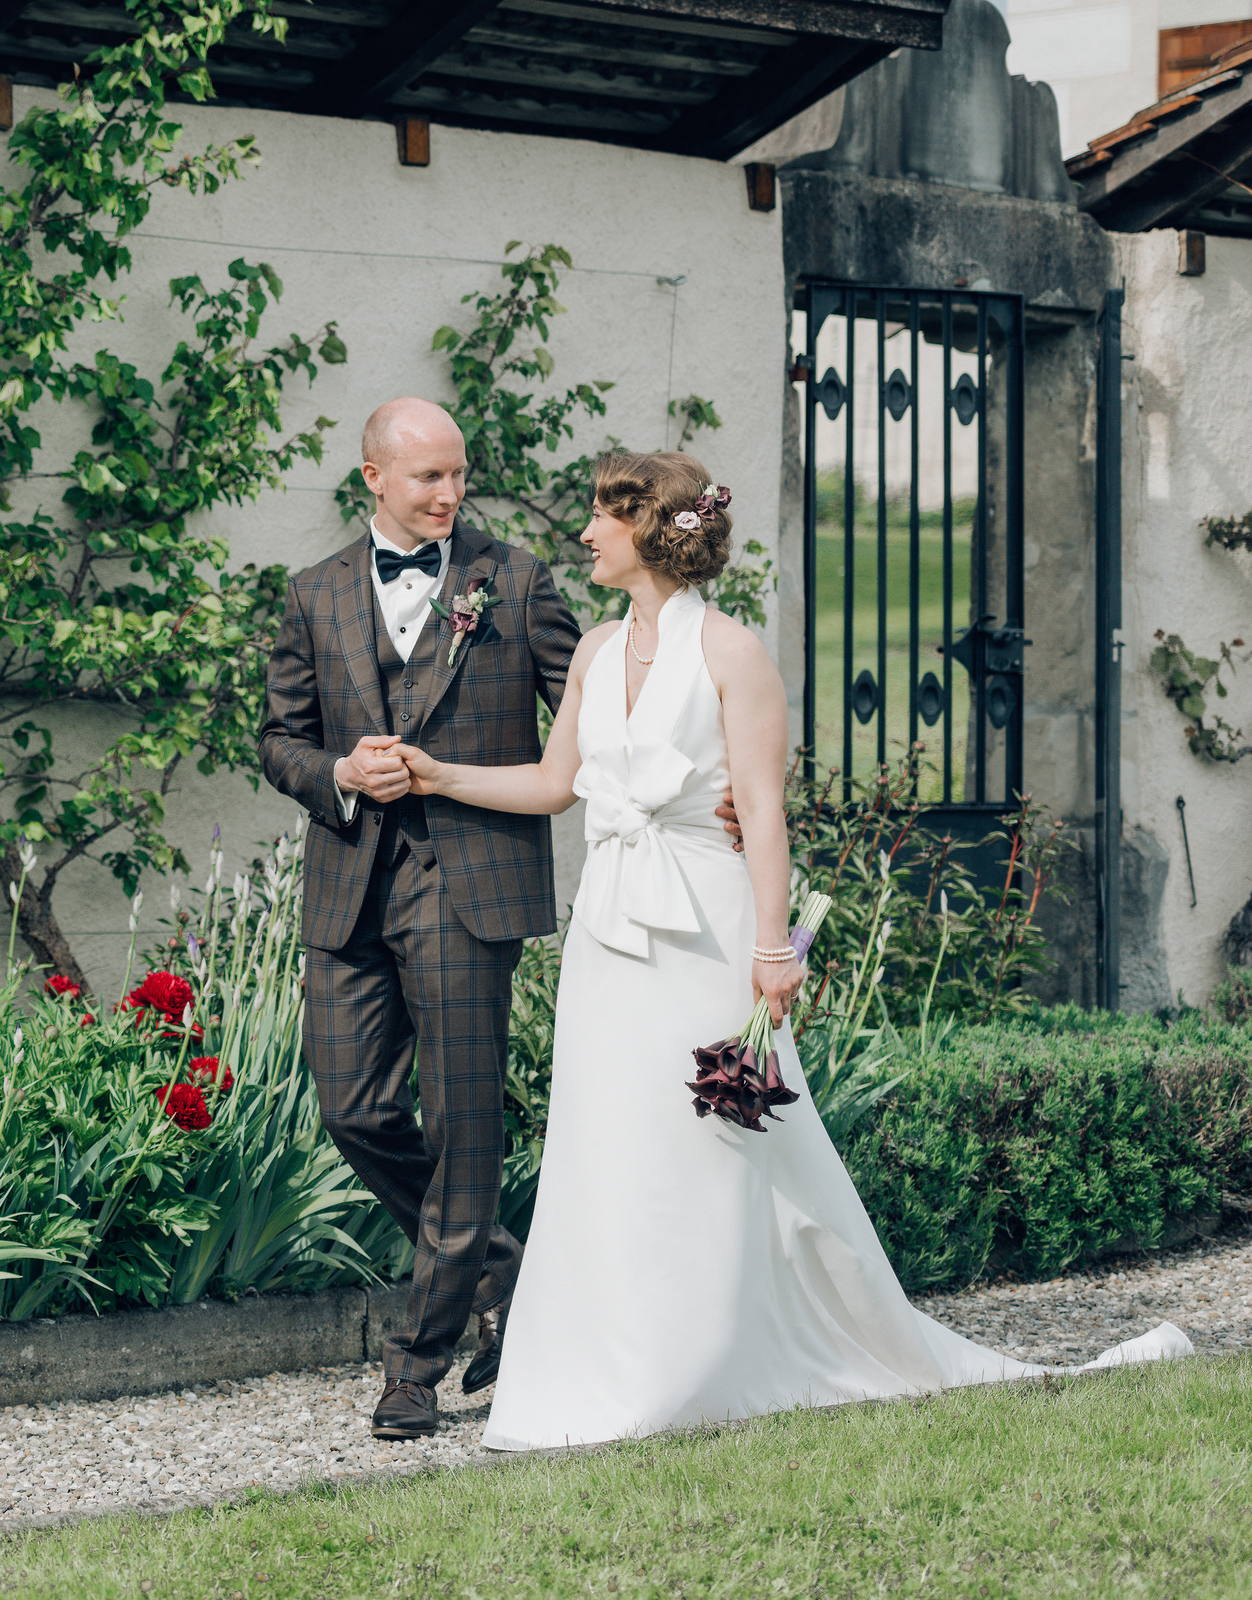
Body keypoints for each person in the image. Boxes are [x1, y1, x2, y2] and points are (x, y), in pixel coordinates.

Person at [389, 449, 1192, 1450]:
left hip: (705, 925)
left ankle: (708, 1362)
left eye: (601, 518)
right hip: (609, 930)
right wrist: (434, 774)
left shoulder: (733, 655)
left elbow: (762, 813)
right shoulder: (594, 651)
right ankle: (607, 1364)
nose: (585, 535)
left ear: (648, 532)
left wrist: (775, 950)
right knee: (608, 1141)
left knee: (713, 1137)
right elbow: (555, 785)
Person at [257, 397, 581, 1442]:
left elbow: (592, 709)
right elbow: (279, 741)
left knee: (462, 1126)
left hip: (468, 879)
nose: (447, 496)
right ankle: (502, 1276)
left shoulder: (515, 581)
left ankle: (415, 1368)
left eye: (456, 475)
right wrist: (337, 772)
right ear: (373, 480)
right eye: (425, 479)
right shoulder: (312, 595)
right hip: (351, 881)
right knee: (352, 1110)